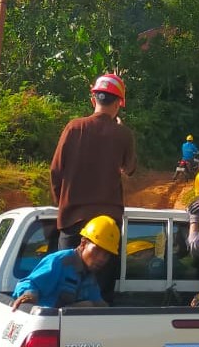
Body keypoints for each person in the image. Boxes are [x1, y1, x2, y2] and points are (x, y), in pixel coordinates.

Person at [50, 72, 136, 303]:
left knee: (63, 293)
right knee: (100, 296)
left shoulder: (73, 127)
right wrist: (121, 131)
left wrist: (64, 206)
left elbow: (56, 172)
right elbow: (130, 169)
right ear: (119, 103)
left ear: (93, 100)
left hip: (72, 224)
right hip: (107, 228)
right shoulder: (123, 133)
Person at [11, 215, 120, 310]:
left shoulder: (89, 276)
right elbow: (29, 283)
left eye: (106, 254)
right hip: (47, 324)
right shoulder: (60, 262)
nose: (101, 258)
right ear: (83, 243)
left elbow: (97, 302)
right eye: (97, 250)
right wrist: (29, 295)